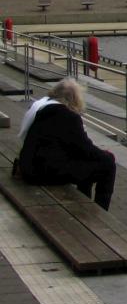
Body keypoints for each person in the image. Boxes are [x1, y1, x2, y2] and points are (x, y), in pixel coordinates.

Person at [16, 78, 116, 210]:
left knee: (85, 165)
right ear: (73, 99)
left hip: (30, 167)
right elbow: (86, 149)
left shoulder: (43, 109)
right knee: (108, 165)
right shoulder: (69, 116)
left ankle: (84, 202)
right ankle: (101, 211)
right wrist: (107, 156)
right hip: (42, 173)